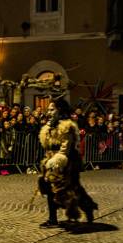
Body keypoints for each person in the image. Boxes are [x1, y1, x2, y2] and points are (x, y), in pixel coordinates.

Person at [37, 96, 98, 227]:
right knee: (50, 189)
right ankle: (53, 219)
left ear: (59, 110)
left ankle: (87, 207)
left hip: (66, 162)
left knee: (70, 190)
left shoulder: (67, 126)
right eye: (49, 110)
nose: (49, 112)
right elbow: (47, 145)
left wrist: (55, 161)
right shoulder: (50, 126)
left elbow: (65, 148)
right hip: (51, 160)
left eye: (52, 109)